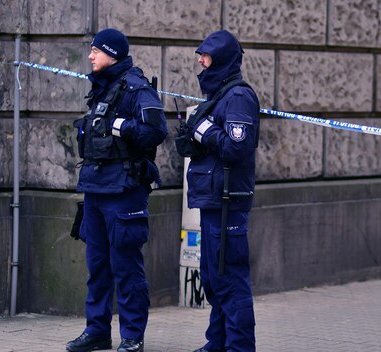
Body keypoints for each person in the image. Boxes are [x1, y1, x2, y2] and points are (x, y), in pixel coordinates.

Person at [66, 28, 168, 352]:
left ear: (112, 54)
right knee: (97, 267)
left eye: (96, 50)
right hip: (96, 189)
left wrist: (124, 127)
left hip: (124, 190)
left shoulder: (136, 88)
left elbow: (156, 131)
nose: (91, 56)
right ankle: (97, 331)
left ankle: (132, 336)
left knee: (126, 267)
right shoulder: (101, 89)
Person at [177, 29, 260, 352]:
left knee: (231, 280)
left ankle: (239, 347)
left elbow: (237, 147)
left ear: (221, 59)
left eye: (206, 56)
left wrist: (205, 131)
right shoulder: (219, 95)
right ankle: (218, 342)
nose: (201, 61)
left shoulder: (238, 97)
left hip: (229, 201)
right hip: (212, 199)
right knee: (213, 279)